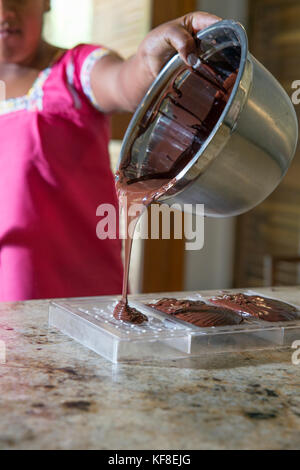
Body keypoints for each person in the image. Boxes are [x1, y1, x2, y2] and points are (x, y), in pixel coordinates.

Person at [0, 0, 220, 302]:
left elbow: (123, 82)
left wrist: (147, 60)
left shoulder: (74, 71)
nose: (4, 13)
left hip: (83, 303)